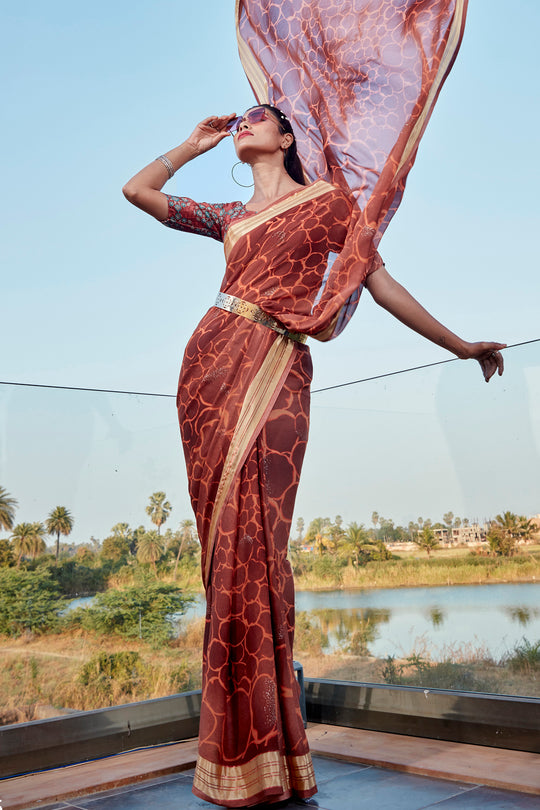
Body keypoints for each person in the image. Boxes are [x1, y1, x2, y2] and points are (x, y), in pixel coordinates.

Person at [123, 105, 505, 808]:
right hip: (209, 366)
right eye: (238, 122)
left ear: (288, 136)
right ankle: (241, 750)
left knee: (261, 542)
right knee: (224, 545)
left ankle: (269, 745)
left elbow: (379, 284)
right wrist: (192, 144)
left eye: (257, 118)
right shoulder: (231, 218)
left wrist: (459, 346)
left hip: (279, 365)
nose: (243, 126)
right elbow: (138, 191)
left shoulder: (327, 203)